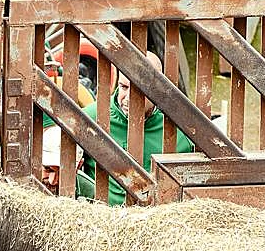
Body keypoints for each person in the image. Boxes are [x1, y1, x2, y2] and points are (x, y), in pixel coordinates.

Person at [80, 52, 194, 206]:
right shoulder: (89, 118)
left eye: (139, 90)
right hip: (102, 216)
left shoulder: (182, 129)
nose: (128, 98)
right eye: (124, 87)